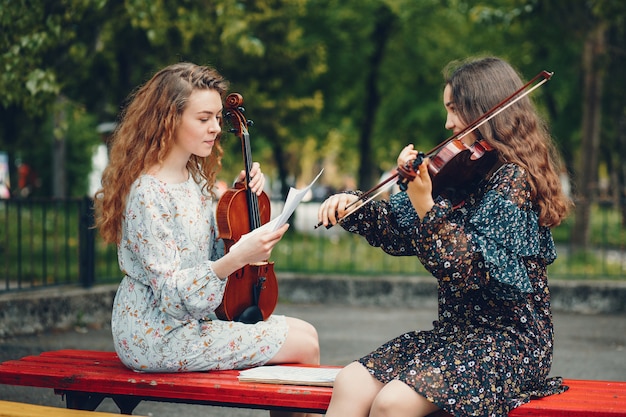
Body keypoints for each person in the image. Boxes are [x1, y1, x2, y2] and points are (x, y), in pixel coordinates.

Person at [317, 56, 572, 417]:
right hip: (455, 335)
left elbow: (467, 269)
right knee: (350, 382)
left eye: (455, 110)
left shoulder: (512, 180)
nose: (447, 122)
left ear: (483, 109)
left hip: (509, 342)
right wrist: (355, 207)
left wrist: (425, 203)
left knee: (393, 404)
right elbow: (400, 236)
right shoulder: (460, 176)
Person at [94, 63, 319, 416]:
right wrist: (237, 257)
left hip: (189, 323)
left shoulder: (194, 182)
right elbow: (170, 294)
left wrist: (242, 201)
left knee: (307, 333)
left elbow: (209, 255)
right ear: (169, 119)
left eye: (217, 116)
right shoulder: (147, 193)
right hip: (155, 335)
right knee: (303, 344)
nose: (216, 127)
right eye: (204, 118)